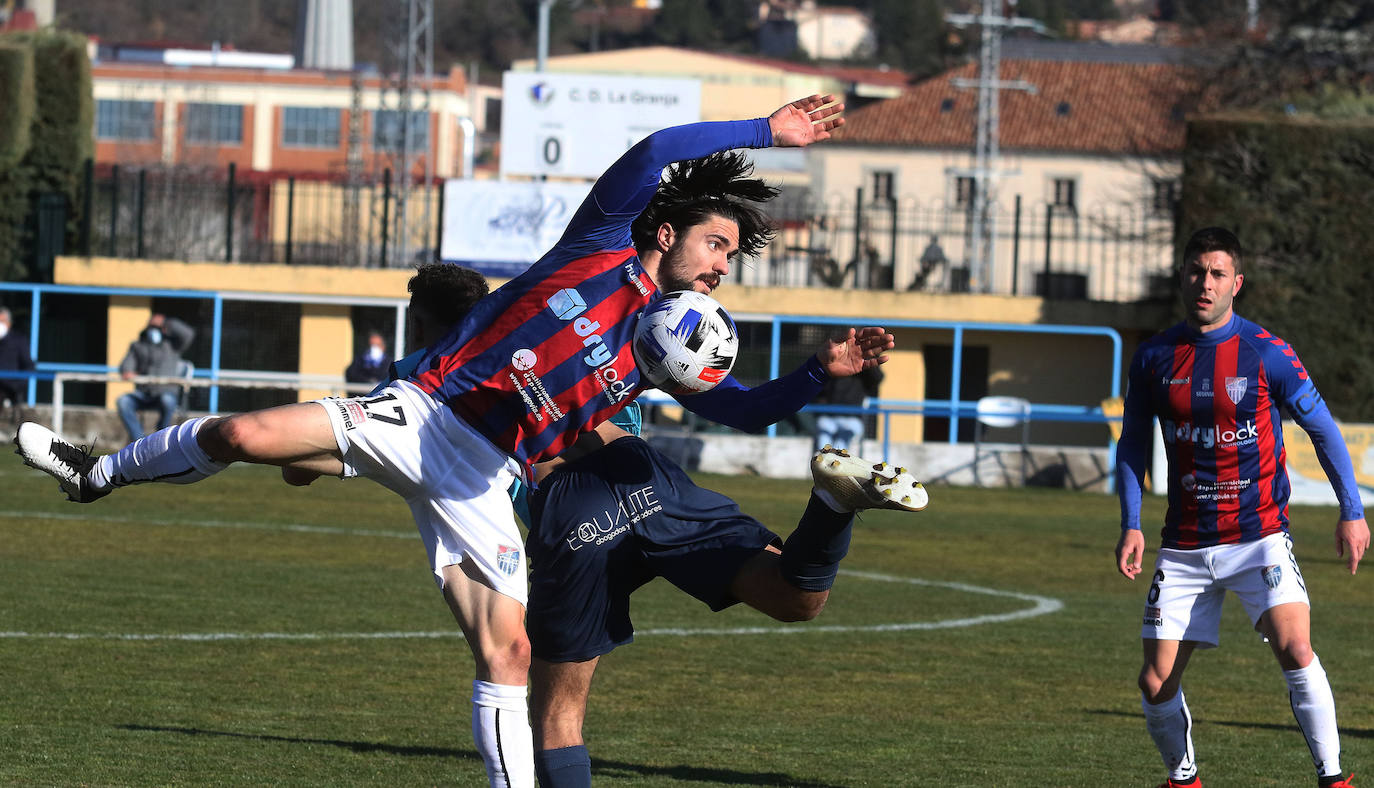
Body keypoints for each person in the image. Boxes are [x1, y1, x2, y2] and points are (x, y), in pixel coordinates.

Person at [17, 95, 853, 788]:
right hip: (422, 413)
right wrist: (765, 131)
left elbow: (747, 411)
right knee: (242, 431)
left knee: (509, 653)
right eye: (717, 245)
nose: (722, 267)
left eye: (731, 256)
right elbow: (657, 148)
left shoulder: (663, 350)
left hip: (483, 476)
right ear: (666, 233)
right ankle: (95, 473)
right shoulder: (598, 246)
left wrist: (821, 370)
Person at [522, 416, 926, 787]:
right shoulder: (599, 361)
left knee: (559, 712)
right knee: (795, 599)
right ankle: (831, 505)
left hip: (569, 502)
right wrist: (814, 373)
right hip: (641, 472)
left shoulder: (491, 369)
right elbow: (729, 401)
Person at [1114, 227, 1367, 788]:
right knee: (1154, 682)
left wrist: (1351, 509)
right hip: (1184, 545)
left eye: (1217, 274)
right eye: (1196, 272)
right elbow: (1131, 443)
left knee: (1296, 647)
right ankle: (1184, 779)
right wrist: (1131, 523)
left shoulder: (1266, 353)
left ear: (1237, 283)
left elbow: (1323, 429)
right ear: (1182, 277)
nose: (1205, 284)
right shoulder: (1153, 356)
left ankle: (1333, 780)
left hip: (1259, 538)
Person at [116, 313, 196, 441]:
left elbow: (188, 334)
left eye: (158, 327)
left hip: (166, 393)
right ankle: (139, 441)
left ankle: (161, 437)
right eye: (152, 326)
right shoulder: (138, 346)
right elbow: (126, 367)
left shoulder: (173, 345)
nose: (154, 330)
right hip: (144, 394)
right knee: (123, 401)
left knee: (167, 400)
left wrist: (167, 322)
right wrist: (127, 371)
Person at [813, 360, 882, 454]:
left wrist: (867, 359)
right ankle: (823, 460)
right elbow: (819, 388)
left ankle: (834, 460)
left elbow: (878, 378)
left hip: (852, 418)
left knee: (841, 444)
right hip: (829, 417)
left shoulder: (863, 370)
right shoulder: (834, 364)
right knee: (823, 443)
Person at [0, 306, 36, 413]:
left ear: (9, 323)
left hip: (10, 389)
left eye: (2, 321)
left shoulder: (19, 340)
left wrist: (16, 386)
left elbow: (29, 366)